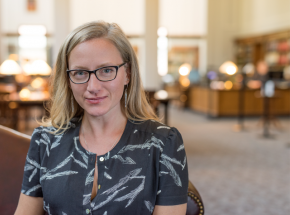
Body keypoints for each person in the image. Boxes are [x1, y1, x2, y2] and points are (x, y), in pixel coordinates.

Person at [15, 20, 188, 215]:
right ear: (68, 79)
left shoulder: (163, 143)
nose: (93, 87)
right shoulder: (45, 141)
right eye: (80, 73)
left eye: (106, 70)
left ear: (128, 74)